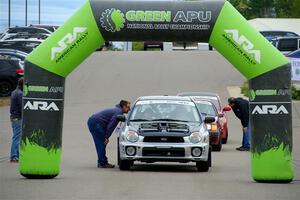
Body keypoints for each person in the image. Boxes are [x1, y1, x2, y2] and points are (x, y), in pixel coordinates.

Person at [87, 100, 131, 168]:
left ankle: (101, 161)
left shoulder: (117, 111)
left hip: (95, 122)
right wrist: (106, 137)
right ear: (124, 106)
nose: (129, 109)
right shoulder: (118, 113)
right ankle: (102, 163)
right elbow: (111, 126)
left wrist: (106, 136)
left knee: (101, 143)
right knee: (101, 143)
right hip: (95, 123)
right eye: (128, 107)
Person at [9, 78, 23, 162]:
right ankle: (14, 156)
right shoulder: (20, 94)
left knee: (17, 137)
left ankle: (16, 155)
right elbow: (22, 107)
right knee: (17, 138)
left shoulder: (14, 92)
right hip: (18, 117)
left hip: (13, 117)